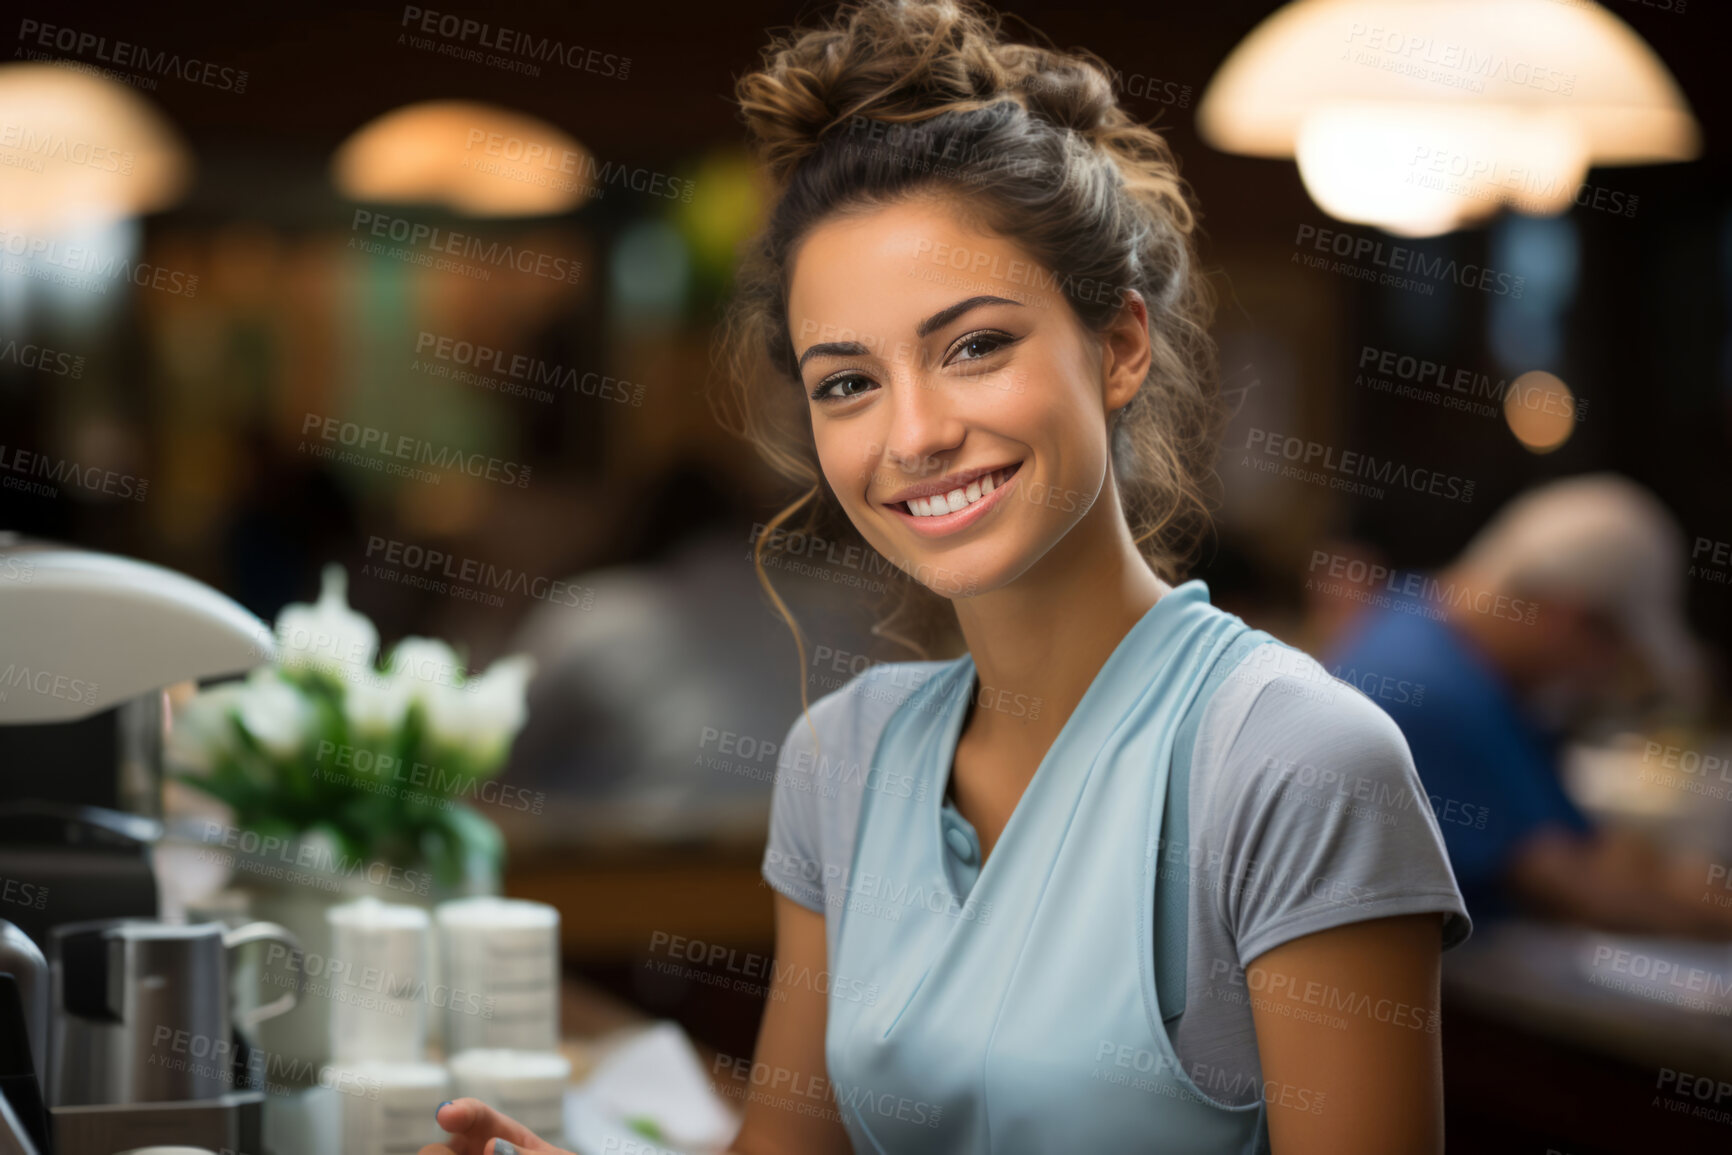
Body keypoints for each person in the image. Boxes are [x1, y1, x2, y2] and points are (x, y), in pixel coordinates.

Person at [422, 1, 1471, 1152]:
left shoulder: (1298, 763)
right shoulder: (846, 757)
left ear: (1117, 346)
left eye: (973, 346)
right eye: (847, 383)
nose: (911, 434)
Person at [1320, 473, 1728, 936]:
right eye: (1616, 654)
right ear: (1567, 618)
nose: (1603, 680)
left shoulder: (1429, 627)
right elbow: (1583, 891)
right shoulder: (1428, 689)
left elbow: (1584, 844)